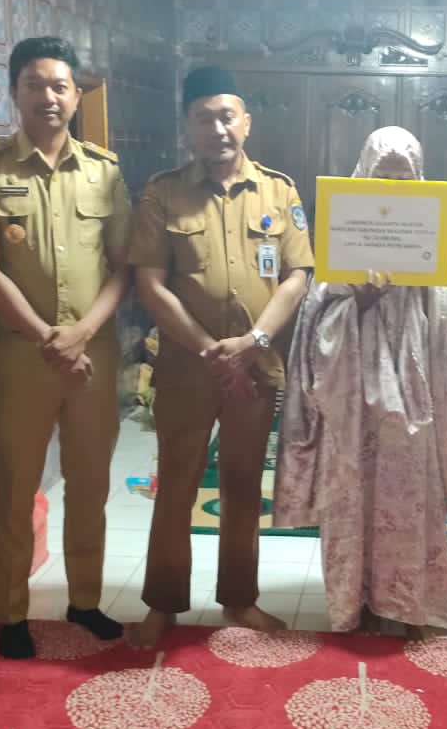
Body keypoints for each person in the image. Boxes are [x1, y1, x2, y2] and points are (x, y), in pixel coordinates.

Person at [0, 36, 132, 659]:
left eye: (60, 86)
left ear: (77, 95)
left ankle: (85, 600)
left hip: (93, 356)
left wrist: (80, 334)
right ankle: (11, 612)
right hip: (21, 356)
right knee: (16, 486)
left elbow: (123, 265)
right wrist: (45, 336)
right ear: (15, 92)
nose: (48, 97)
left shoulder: (104, 170)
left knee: (90, 485)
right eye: (34, 85)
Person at [128, 65, 314, 648]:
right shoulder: (163, 193)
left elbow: (297, 276)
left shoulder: (279, 192)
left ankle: (240, 598)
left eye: (227, 116)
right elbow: (150, 284)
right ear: (187, 127)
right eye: (204, 118)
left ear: (246, 123)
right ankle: (162, 603)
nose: (218, 129)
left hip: (256, 368)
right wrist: (210, 349)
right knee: (176, 485)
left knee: (242, 485)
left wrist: (253, 343)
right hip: (187, 368)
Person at [272, 126, 447, 639]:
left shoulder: (436, 248)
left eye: (405, 179)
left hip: (414, 401)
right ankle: (355, 605)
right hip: (352, 402)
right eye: (383, 177)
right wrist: (356, 302)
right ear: (362, 177)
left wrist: (427, 288)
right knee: (352, 499)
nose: (393, 189)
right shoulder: (339, 249)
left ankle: (407, 604)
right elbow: (314, 327)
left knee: (408, 501)